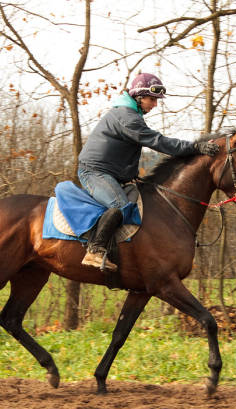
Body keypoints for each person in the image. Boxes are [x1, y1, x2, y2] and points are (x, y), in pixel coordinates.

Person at [77, 73, 220, 272]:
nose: (155, 104)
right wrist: (196, 147)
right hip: (93, 172)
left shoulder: (130, 115)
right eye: (152, 99)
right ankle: (95, 250)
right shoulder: (127, 118)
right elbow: (159, 142)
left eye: (156, 100)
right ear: (139, 97)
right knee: (120, 205)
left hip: (110, 173)